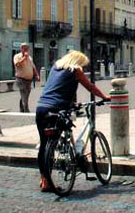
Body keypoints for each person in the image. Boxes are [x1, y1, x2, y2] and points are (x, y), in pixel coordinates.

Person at [35, 50, 109, 192]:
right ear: (78, 61)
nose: (83, 67)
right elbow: (90, 87)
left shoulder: (55, 67)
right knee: (52, 144)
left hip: (42, 108)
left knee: (45, 145)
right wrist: (104, 97)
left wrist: (71, 103)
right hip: (57, 109)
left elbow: (59, 88)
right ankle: (49, 181)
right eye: (83, 64)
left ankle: (44, 179)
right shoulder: (76, 70)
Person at [13, 43, 39, 113]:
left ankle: (22, 109)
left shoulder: (30, 58)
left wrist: (37, 75)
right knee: (24, 93)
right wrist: (24, 58)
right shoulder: (17, 56)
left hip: (29, 80)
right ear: (21, 49)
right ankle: (26, 110)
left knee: (25, 95)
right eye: (24, 48)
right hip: (21, 79)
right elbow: (17, 64)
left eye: (27, 48)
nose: (26, 50)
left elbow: (33, 67)